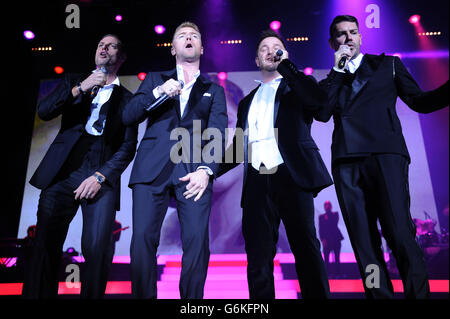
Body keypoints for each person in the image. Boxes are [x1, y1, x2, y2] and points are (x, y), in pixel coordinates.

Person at [317, 15, 449, 298]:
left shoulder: (388, 65)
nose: (349, 38)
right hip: (348, 162)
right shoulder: (332, 79)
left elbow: (420, 101)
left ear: (361, 37)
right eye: (342, 34)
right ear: (332, 42)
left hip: (385, 155)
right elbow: (323, 112)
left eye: (353, 32)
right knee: (365, 245)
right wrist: (338, 71)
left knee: (400, 234)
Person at [218, 30, 333, 299]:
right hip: (257, 181)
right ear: (256, 60)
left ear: (285, 55)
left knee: (306, 250)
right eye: (265, 49)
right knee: (258, 257)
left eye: (277, 48)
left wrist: (288, 68)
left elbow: (322, 108)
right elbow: (237, 149)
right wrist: (207, 171)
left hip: (291, 176)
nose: (271, 51)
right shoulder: (246, 102)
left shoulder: (298, 88)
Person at [22, 34, 138, 299]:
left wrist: (101, 176)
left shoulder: (129, 100)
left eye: (111, 46)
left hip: (99, 172)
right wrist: (80, 88)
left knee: (97, 248)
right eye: (100, 44)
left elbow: (128, 147)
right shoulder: (75, 81)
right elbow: (45, 110)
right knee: (45, 245)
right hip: (64, 171)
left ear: (121, 57)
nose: (103, 48)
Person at [122, 21, 228, 299]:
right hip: (150, 170)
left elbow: (217, 131)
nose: (189, 38)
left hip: (194, 171)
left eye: (194, 35)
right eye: (182, 36)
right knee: (143, 240)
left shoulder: (213, 89)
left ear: (202, 47)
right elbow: (129, 115)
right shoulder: (155, 79)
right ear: (173, 48)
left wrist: (206, 170)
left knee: (196, 242)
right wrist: (159, 93)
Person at [318, 201, 344, 275]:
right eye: (326, 205)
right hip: (326, 240)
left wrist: (328, 217)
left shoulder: (335, 214)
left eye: (328, 205)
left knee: (337, 258)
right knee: (326, 259)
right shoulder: (321, 217)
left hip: (336, 239)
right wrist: (322, 239)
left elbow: (334, 224)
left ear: (331, 206)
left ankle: (338, 274)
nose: (327, 207)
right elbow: (321, 229)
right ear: (324, 207)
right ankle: (327, 274)